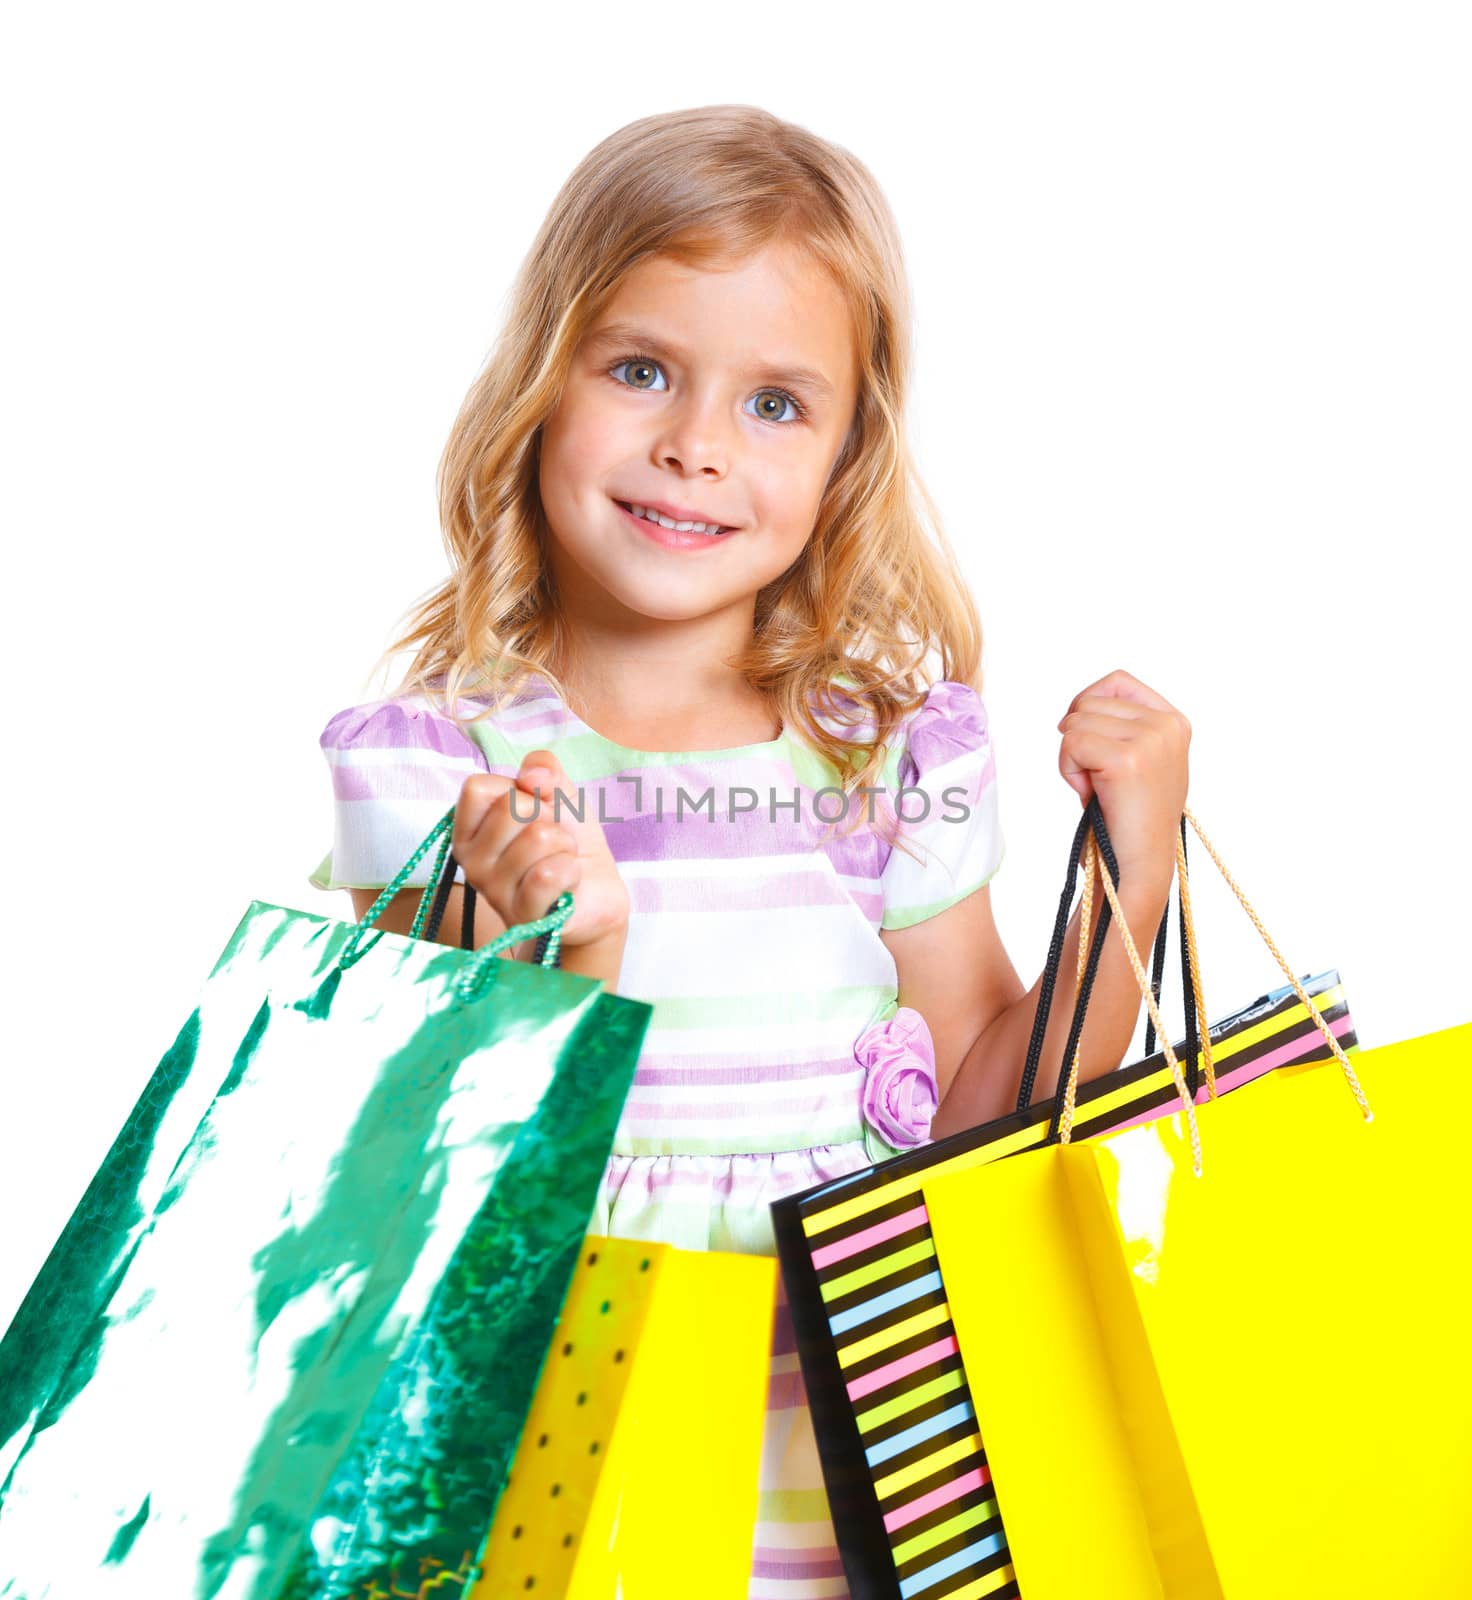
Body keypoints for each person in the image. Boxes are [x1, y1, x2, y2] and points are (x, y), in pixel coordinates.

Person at [308, 105, 1190, 1600]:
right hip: (577, 1442)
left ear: (848, 453)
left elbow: (999, 1114)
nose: (695, 446)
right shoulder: (444, 766)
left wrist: (1136, 861)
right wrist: (568, 951)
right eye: (641, 369)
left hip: (874, 1435)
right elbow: (421, 1186)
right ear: (542, 384)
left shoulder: (879, 757)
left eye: (776, 404)